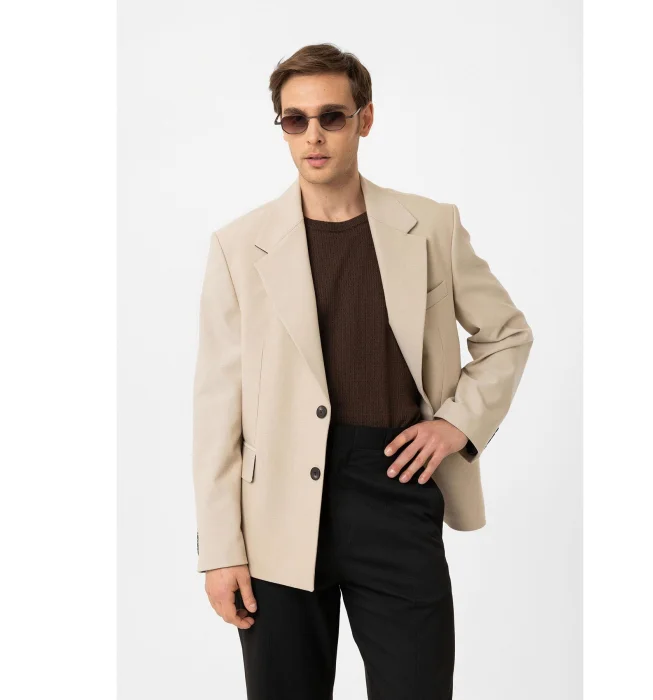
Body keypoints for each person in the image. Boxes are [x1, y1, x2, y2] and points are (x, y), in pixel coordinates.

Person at [192, 42, 534, 700]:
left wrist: (456, 424)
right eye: (295, 120)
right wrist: (220, 549)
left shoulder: (429, 226)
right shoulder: (238, 247)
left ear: (364, 119)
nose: (313, 136)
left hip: (395, 488)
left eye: (332, 116)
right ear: (283, 127)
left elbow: (507, 334)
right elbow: (216, 406)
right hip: (275, 511)